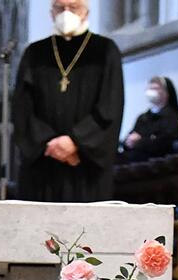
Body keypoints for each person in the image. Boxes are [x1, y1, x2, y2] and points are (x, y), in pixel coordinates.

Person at [12, 0, 124, 202]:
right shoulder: (35, 54)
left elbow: (110, 106)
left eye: (73, 8)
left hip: (86, 167)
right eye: (60, 8)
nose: (66, 13)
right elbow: (22, 109)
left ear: (86, 13)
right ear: (51, 13)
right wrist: (49, 144)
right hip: (43, 166)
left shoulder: (105, 51)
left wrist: (76, 142)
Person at [120, 76, 178, 163]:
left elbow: (165, 143)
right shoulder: (143, 118)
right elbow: (130, 137)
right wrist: (128, 142)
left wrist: (140, 142)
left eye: (155, 88)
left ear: (166, 93)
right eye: (149, 88)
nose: (151, 92)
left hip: (158, 161)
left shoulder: (171, 116)